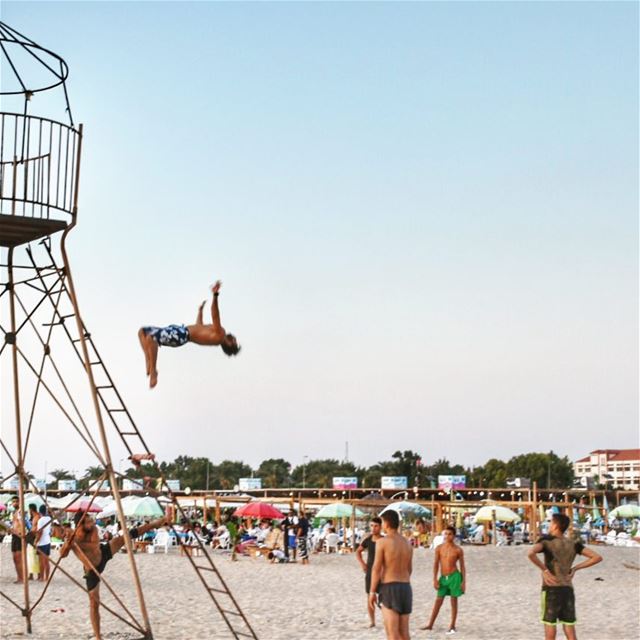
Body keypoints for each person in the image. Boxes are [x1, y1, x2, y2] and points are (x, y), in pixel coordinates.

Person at [56, 511, 167, 640]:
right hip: (91, 569)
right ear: (79, 525)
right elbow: (62, 555)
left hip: (103, 553)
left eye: (91, 520)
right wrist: (68, 544)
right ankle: (98, 637)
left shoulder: (93, 530)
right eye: (88, 522)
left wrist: (76, 543)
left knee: (126, 536)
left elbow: (94, 547)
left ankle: (154, 524)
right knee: (94, 603)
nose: (91, 523)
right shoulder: (74, 536)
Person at [138, 280, 240, 388]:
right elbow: (199, 326)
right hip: (180, 331)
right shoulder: (215, 335)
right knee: (143, 332)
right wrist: (200, 311)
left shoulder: (220, 335)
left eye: (234, 341)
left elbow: (215, 314)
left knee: (151, 338)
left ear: (229, 344)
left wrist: (215, 295)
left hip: (181, 335)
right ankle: (148, 360)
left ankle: (153, 371)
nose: (234, 338)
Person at [528, 513, 602, 640]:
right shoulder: (573, 543)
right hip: (567, 588)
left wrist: (544, 570)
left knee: (550, 626)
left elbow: (531, 553)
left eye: (551, 523)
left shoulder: (547, 541)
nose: (549, 526)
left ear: (556, 525)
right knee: (569, 626)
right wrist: (575, 568)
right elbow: (597, 557)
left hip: (551, 588)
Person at [369, 510, 413, 640]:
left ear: (386, 523)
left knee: (392, 634)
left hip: (390, 587)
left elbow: (376, 569)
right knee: (404, 633)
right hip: (405, 587)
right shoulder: (407, 544)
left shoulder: (382, 542)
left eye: (382, 522)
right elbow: (409, 569)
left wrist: (372, 592)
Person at [420, 526, 466, 635]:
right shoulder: (439, 548)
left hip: (454, 577)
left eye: (450, 534)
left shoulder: (458, 550)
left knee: (453, 601)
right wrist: (434, 579)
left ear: (454, 536)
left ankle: (452, 625)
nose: (447, 536)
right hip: (443, 577)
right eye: (445, 534)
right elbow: (436, 564)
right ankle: (430, 624)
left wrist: (463, 582)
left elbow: (463, 567)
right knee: (438, 601)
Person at [356, 517, 383, 628]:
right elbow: (358, 551)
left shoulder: (384, 540)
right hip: (370, 571)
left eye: (376, 526)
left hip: (382, 572)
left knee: (383, 598)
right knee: (369, 597)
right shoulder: (368, 539)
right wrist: (362, 563)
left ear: (381, 527)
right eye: (371, 525)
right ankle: (372, 621)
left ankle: (388, 618)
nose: (373, 528)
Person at [35, 504, 52, 582]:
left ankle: (42, 577)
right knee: (47, 561)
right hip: (48, 541)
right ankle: (47, 577)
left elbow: (40, 532)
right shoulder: (49, 518)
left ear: (39, 512)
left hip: (42, 542)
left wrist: (36, 541)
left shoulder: (40, 520)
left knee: (41, 561)